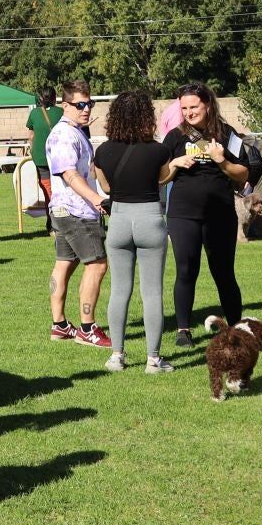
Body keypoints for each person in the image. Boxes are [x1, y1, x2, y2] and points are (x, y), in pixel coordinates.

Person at [159, 84, 256, 348]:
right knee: (186, 270)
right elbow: (160, 177)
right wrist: (175, 163)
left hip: (220, 214)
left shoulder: (227, 134)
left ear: (208, 105)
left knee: (223, 273)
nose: (188, 113)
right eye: (184, 108)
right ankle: (183, 331)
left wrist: (221, 161)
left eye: (194, 107)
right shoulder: (175, 137)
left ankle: (235, 331)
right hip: (183, 215)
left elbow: (243, 174)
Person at [92, 90, 172, 373]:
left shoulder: (103, 151)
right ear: (146, 116)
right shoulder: (159, 150)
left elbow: (106, 187)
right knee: (152, 292)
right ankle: (154, 359)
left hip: (120, 220)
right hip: (150, 218)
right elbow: (163, 179)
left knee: (119, 290)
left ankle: (117, 355)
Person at [47, 83, 112, 347]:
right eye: (80, 105)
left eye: (89, 104)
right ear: (65, 105)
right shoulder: (64, 134)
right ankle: (87, 328)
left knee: (64, 264)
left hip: (64, 209)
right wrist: (96, 199)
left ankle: (60, 325)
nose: (86, 109)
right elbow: (69, 174)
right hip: (76, 211)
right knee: (97, 264)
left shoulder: (74, 131)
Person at [26, 86, 64, 231]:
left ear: (41, 98)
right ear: (54, 97)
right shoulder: (62, 112)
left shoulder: (34, 113)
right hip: (59, 158)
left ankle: (52, 223)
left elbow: (31, 136)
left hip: (40, 158)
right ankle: (61, 221)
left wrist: (32, 150)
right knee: (62, 190)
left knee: (48, 191)